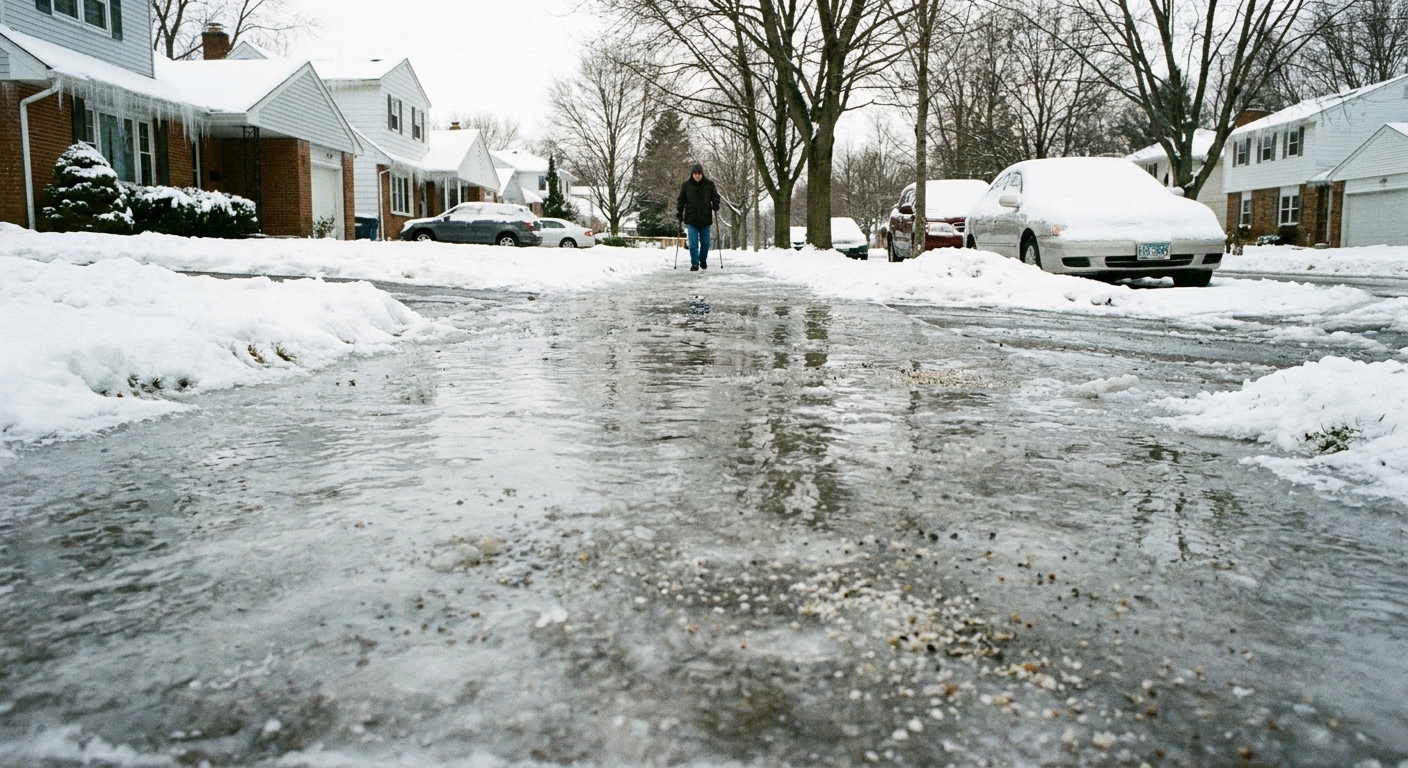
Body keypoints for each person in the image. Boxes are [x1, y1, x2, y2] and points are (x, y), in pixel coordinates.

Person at [676, 163, 721, 272]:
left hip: (705, 219)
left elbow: (715, 196)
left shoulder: (709, 184)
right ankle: (695, 263)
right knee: (693, 243)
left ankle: (702, 260)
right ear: (692, 174)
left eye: (699, 174)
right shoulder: (686, 185)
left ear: (702, 174)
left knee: (706, 243)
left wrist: (715, 203)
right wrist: (679, 212)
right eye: (695, 174)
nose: (697, 176)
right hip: (691, 219)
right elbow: (681, 199)